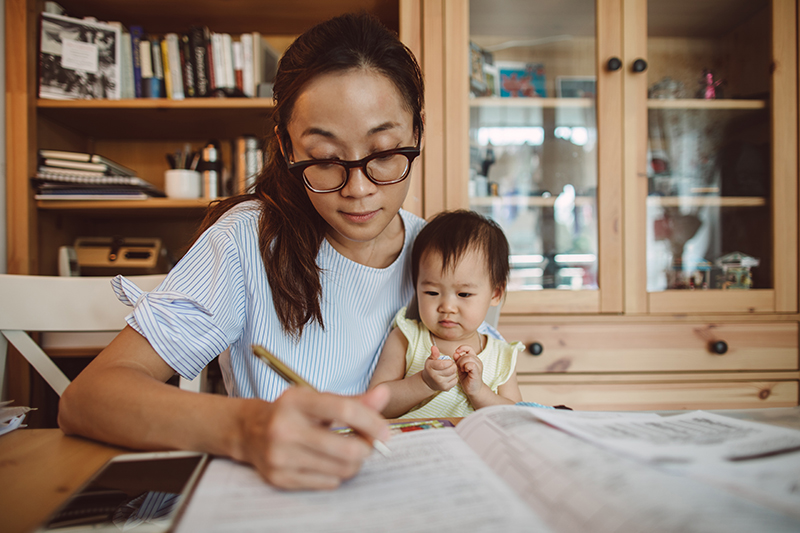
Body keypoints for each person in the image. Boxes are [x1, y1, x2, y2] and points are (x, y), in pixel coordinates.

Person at [59, 12, 426, 490]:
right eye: (324, 159)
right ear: (285, 145)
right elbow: (88, 399)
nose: (357, 189)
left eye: (382, 154)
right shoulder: (248, 240)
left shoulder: (438, 252)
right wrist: (246, 429)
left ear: (417, 133)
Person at [369, 210, 524, 418]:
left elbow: (515, 416)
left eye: (464, 294)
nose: (447, 307)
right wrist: (424, 382)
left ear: (495, 293)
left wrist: (479, 392)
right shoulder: (406, 337)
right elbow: (376, 404)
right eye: (432, 292)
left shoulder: (502, 356)